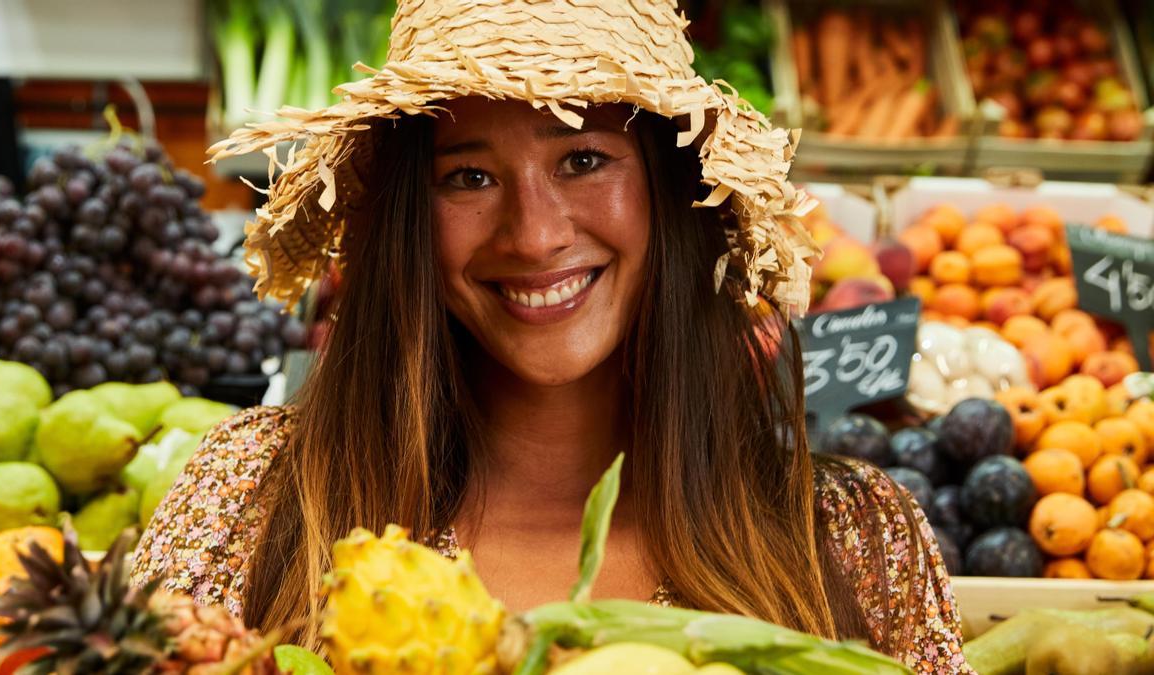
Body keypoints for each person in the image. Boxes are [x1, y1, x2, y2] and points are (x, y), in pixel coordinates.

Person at [132, 1, 971, 672]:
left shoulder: (855, 539)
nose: (533, 236)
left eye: (582, 160)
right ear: (407, 222)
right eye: (469, 175)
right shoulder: (257, 499)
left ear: (672, 187)